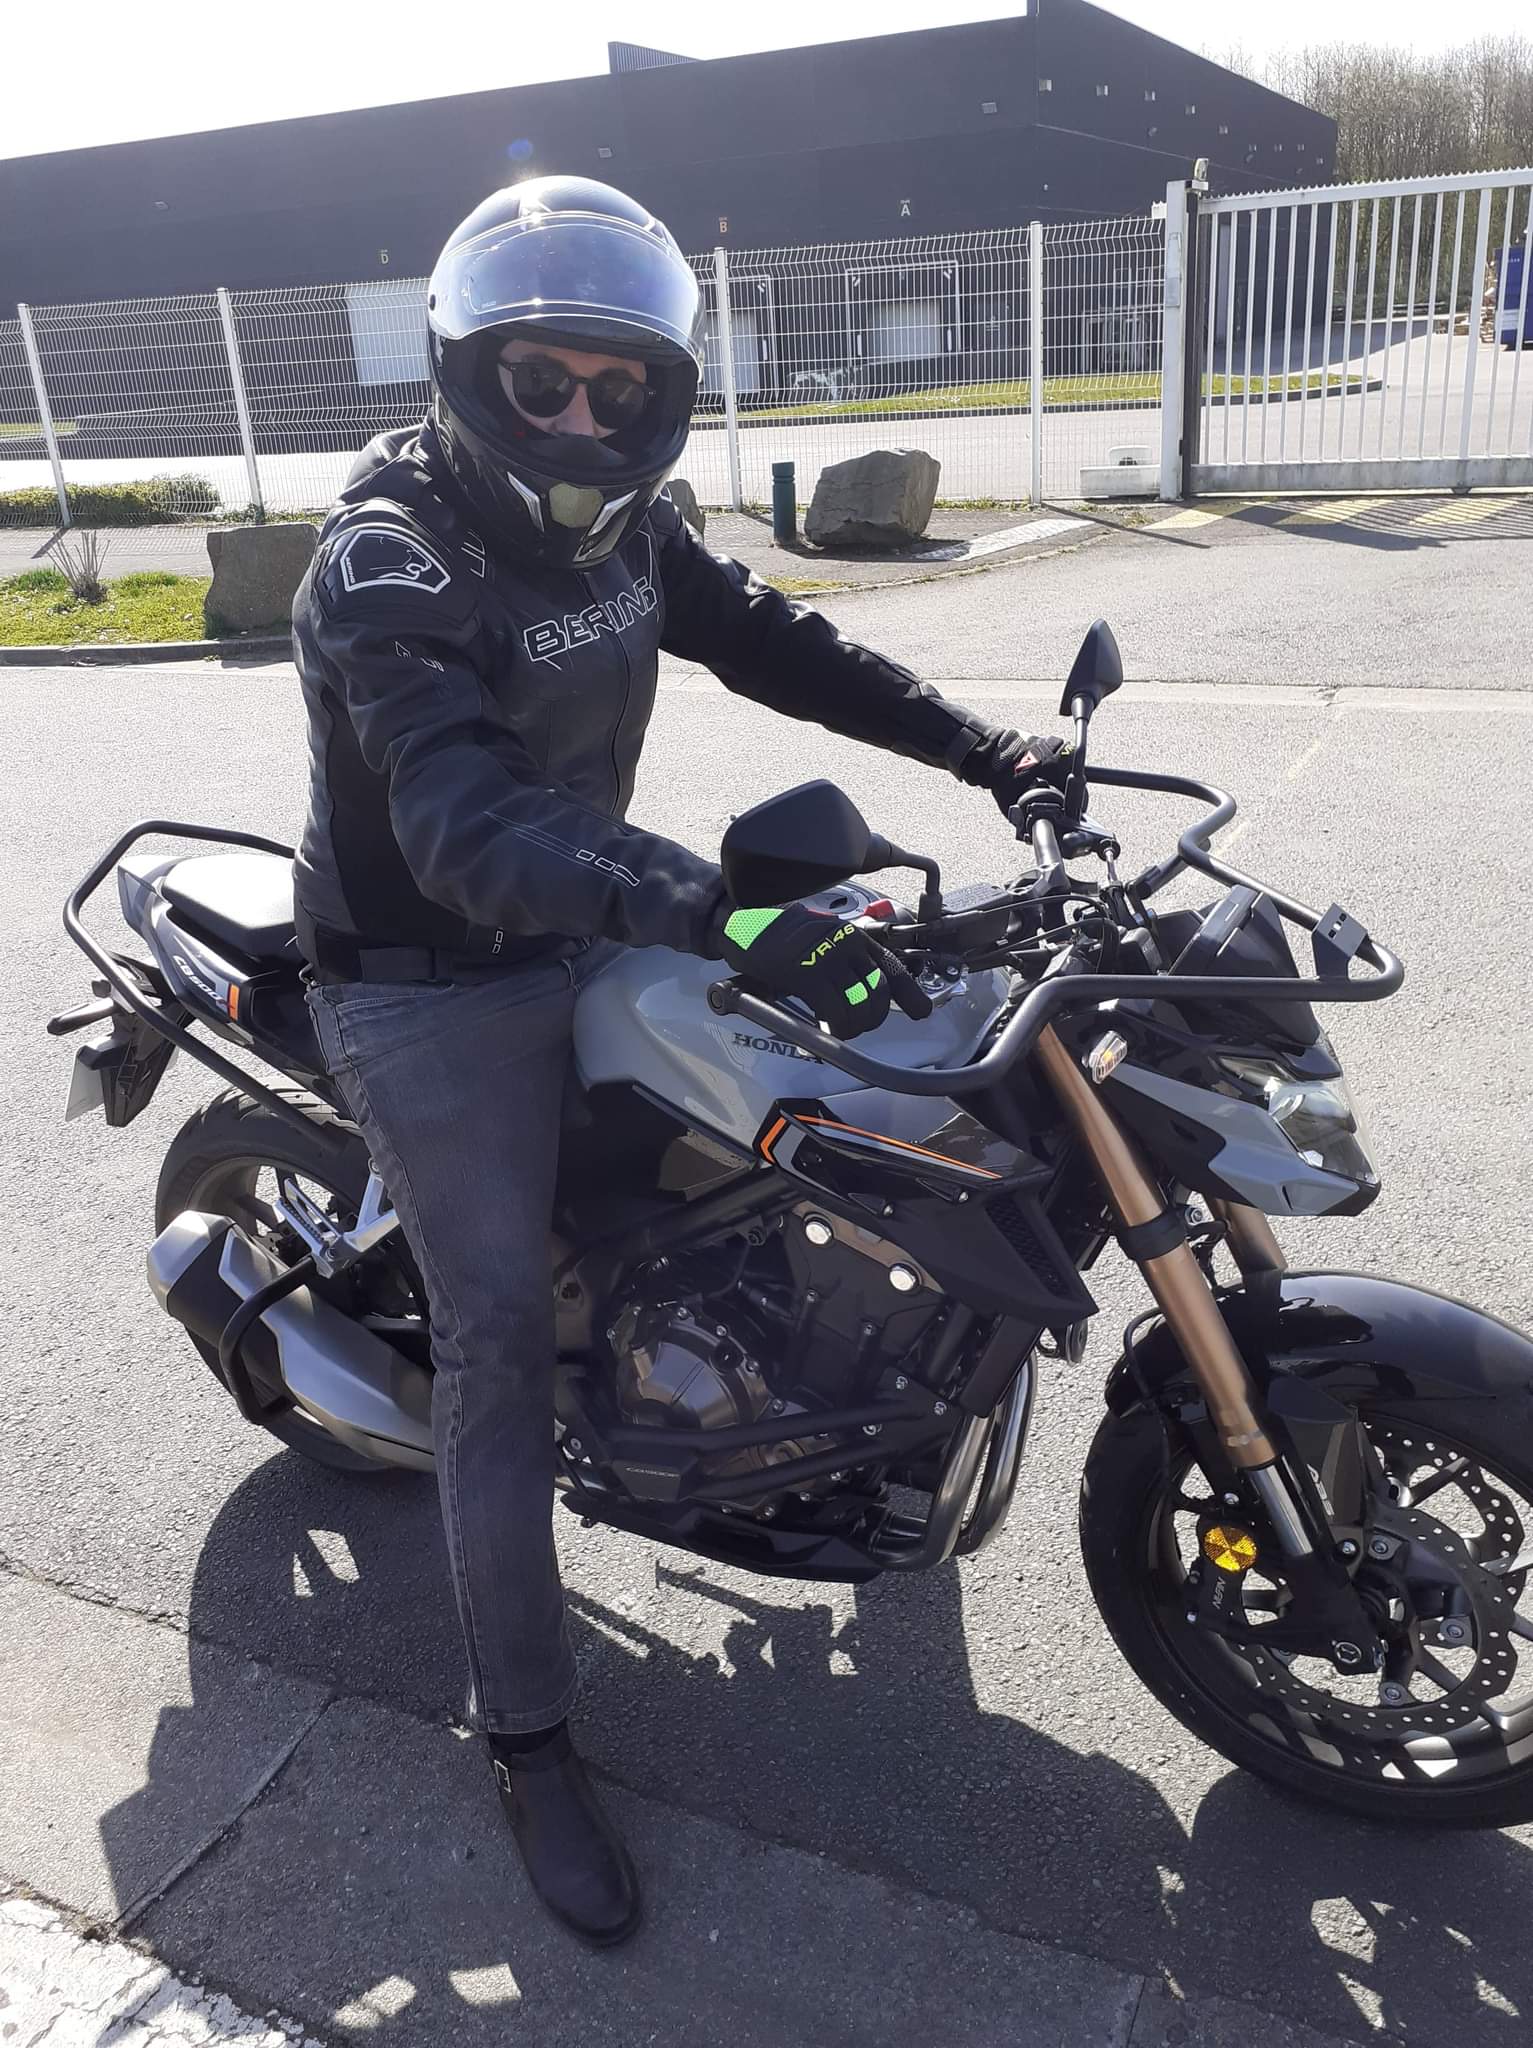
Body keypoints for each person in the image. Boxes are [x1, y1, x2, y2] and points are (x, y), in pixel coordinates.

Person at [290, 176, 1066, 1947]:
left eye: (616, 386)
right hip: (429, 976)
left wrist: (984, 748)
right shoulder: (389, 557)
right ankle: (526, 1740)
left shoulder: (628, 530)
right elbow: (462, 818)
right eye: (541, 381)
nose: (580, 418)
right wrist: (715, 908)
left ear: (660, 394)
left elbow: (778, 643)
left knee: (820, 1114)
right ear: (467, 372)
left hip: (588, 909)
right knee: (493, 1336)